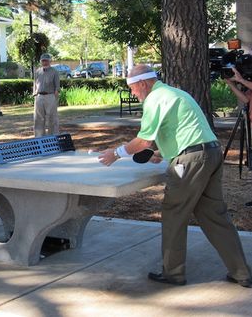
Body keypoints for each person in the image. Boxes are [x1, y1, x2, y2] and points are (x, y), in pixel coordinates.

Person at [98, 64, 251, 288]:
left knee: (173, 214)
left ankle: (173, 273)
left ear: (142, 83)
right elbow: (185, 130)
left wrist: (116, 153)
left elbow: (143, 141)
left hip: (191, 161)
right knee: (216, 217)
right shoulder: (176, 93)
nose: (133, 93)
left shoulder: (154, 98)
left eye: (132, 88)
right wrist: (164, 153)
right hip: (211, 153)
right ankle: (242, 273)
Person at [33, 53, 60, 137]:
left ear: (49, 61)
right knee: (38, 118)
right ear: (41, 61)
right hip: (39, 97)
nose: (44, 62)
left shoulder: (54, 71)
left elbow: (57, 85)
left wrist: (56, 94)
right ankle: (39, 137)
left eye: (46, 60)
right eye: (43, 60)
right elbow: (35, 83)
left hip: (50, 96)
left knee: (52, 117)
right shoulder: (38, 71)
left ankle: (53, 136)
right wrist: (35, 93)